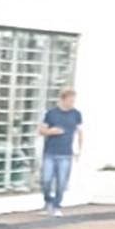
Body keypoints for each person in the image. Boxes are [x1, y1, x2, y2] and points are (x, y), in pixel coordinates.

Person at [37, 88, 84, 216]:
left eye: (73, 100)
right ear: (63, 99)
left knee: (62, 181)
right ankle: (48, 200)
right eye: (70, 100)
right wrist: (50, 132)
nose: (72, 103)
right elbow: (41, 131)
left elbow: (80, 132)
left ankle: (57, 205)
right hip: (50, 152)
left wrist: (79, 149)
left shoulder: (76, 114)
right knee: (46, 179)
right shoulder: (51, 113)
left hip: (66, 153)